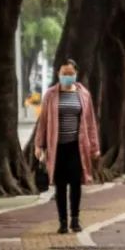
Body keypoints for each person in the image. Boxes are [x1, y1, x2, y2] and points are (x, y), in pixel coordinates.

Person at [33, 60, 101, 234]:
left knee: (76, 183)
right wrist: (39, 145)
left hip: (77, 147)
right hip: (57, 147)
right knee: (60, 185)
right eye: (64, 73)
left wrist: (94, 147)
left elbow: (91, 122)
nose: (67, 77)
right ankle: (63, 221)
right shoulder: (50, 95)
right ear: (58, 74)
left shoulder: (83, 94)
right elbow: (43, 122)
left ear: (76, 74)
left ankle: (75, 220)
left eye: (70, 73)